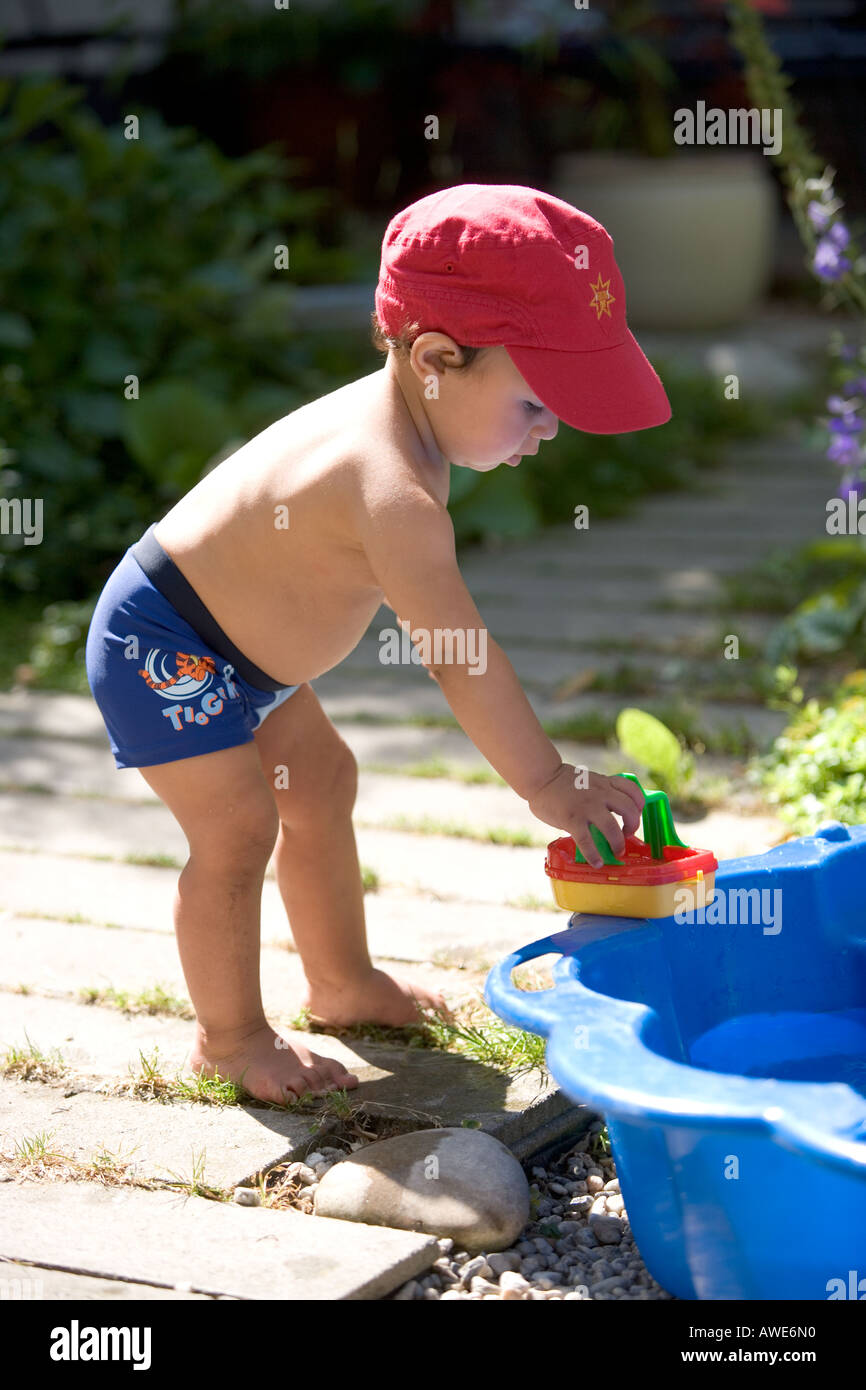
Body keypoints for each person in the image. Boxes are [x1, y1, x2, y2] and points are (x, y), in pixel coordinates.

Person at [85, 184, 670, 1106]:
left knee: (322, 783)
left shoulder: (420, 420)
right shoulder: (387, 486)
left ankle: (342, 984)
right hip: (169, 641)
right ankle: (230, 1039)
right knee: (240, 824)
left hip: (246, 654)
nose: (552, 428)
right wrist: (548, 784)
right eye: (535, 403)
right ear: (438, 358)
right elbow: (458, 656)